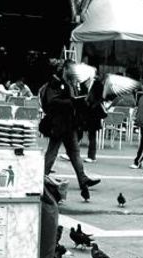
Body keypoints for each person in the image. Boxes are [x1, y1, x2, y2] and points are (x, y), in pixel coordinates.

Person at [39, 59, 99, 201]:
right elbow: (53, 101)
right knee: (53, 152)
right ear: (65, 69)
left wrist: (82, 100)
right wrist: (72, 101)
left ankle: (83, 180)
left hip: (70, 124)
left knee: (74, 153)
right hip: (58, 124)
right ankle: (41, 178)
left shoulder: (72, 83)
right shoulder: (56, 82)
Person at [81, 69, 105, 163]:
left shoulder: (98, 84)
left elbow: (100, 98)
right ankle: (70, 153)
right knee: (78, 131)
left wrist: (92, 104)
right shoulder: (84, 83)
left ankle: (91, 156)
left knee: (92, 134)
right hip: (86, 112)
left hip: (94, 113)